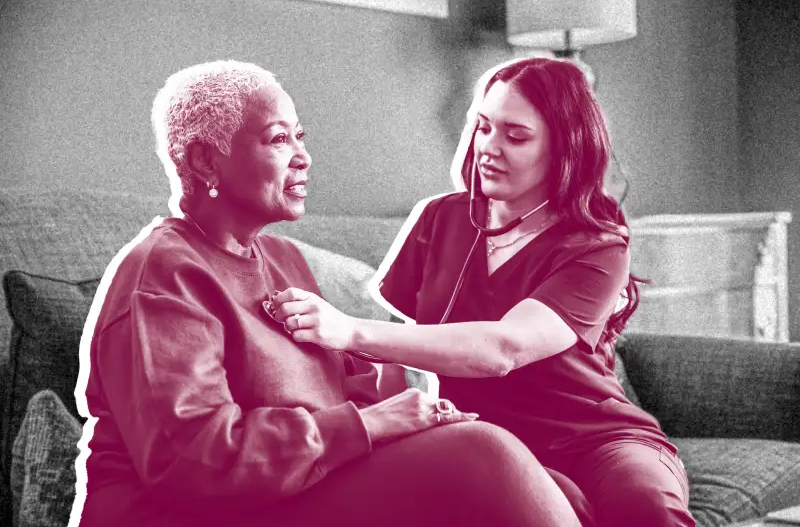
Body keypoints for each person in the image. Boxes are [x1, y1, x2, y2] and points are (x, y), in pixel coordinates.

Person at [75, 60, 583, 527]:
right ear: (206, 161)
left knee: (559, 486)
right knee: (483, 458)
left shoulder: (284, 260)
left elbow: (347, 389)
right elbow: (196, 461)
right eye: (278, 139)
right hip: (195, 512)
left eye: (300, 136)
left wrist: (416, 417)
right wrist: (368, 425)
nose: (303, 157)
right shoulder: (162, 274)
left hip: (298, 489)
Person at [272, 57, 696, 527]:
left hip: (600, 442)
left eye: (516, 136)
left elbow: (504, 349)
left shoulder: (596, 246)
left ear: (564, 149)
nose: (488, 148)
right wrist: (378, 427)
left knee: (645, 511)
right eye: (483, 127)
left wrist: (349, 331)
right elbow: (399, 356)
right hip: (488, 442)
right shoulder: (438, 219)